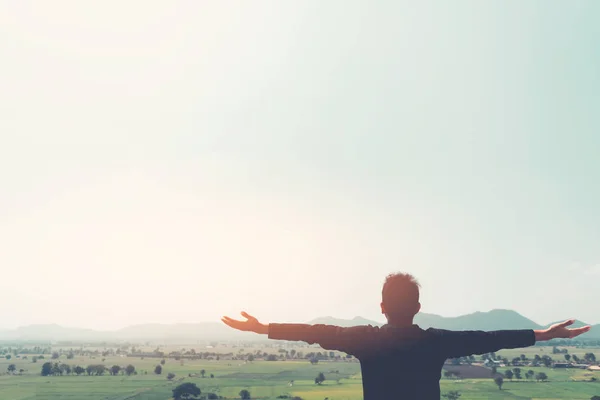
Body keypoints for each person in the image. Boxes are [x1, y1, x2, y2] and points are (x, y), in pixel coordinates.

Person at [222, 272, 591, 400]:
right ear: (418, 307)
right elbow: (488, 338)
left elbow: (314, 332)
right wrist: (542, 334)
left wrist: (261, 327)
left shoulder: (364, 339)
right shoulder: (436, 342)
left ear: (382, 307)